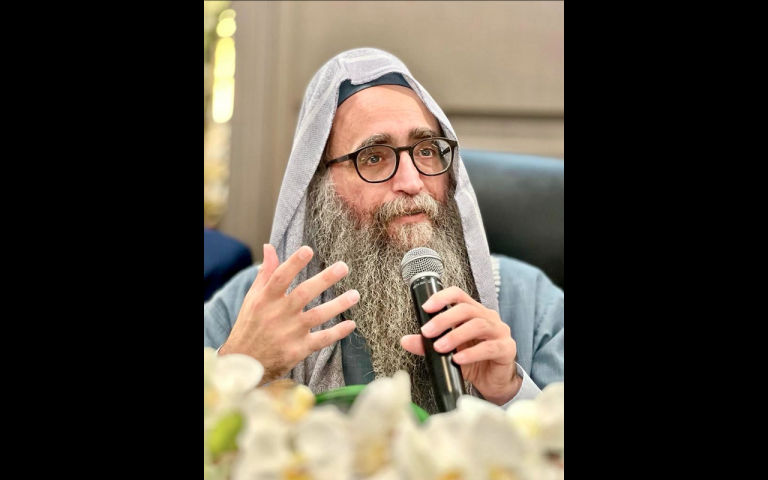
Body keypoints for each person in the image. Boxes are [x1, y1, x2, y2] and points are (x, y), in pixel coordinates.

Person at [204, 48, 564, 413]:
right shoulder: (248, 309)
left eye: (426, 150)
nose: (412, 182)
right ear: (318, 184)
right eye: (374, 157)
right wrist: (238, 367)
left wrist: (510, 391)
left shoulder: (531, 302)